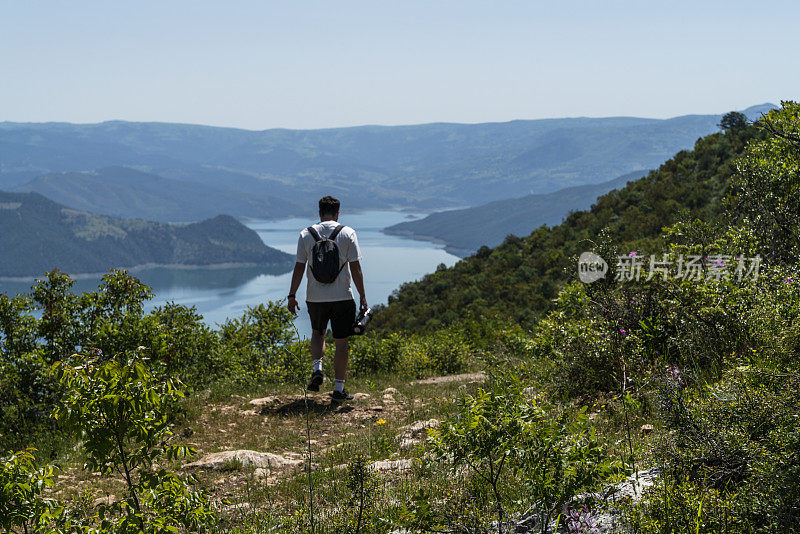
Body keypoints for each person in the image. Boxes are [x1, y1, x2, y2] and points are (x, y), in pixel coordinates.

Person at [287, 196, 367, 401]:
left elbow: (299, 266)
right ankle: (339, 390)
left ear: (319, 212)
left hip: (315, 296)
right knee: (341, 343)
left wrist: (292, 295)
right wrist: (363, 297)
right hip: (342, 296)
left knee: (317, 333)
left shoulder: (306, 234)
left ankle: (317, 368)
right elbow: (355, 268)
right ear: (338, 213)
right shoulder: (348, 233)